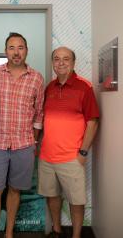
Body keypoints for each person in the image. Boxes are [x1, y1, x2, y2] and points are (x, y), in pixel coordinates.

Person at [0, 32, 44, 238]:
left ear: (26, 51)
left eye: (20, 47)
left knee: (15, 190)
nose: (16, 52)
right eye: (12, 47)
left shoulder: (37, 78)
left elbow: (39, 113)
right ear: (5, 51)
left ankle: (9, 232)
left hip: (24, 144)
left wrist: (34, 139)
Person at [38, 47, 99, 238]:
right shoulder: (49, 87)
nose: (61, 62)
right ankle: (56, 230)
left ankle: (76, 235)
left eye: (66, 59)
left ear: (73, 63)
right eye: (56, 59)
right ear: (52, 63)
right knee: (52, 196)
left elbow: (93, 122)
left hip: (71, 157)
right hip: (47, 157)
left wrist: (82, 153)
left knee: (76, 201)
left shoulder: (84, 87)